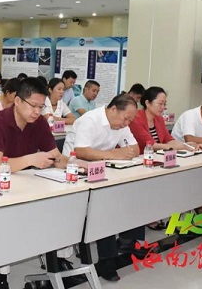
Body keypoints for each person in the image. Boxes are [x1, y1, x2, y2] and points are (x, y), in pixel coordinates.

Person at [0, 77, 67, 289]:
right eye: (33, 106)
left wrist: (76, 165)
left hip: (21, 182)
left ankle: (58, 261)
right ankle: (0, 275)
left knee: (60, 205)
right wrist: (32, 159)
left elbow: (56, 156)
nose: (37, 111)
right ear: (17, 101)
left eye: (41, 107)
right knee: (8, 220)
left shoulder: (39, 122)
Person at [62, 94, 144, 282]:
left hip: (103, 172)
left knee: (132, 195)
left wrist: (112, 155)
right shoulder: (90, 120)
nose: (127, 124)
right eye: (126, 119)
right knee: (103, 208)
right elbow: (82, 151)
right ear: (113, 109)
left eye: (130, 121)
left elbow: (135, 149)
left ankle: (126, 242)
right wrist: (113, 154)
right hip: (74, 172)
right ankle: (107, 259)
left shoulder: (121, 124)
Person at [129, 86, 202, 153]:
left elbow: (169, 140)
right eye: (160, 103)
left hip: (157, 157)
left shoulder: (159, 119)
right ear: (148, 103)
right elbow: (152, 145)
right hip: (142, 158)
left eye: (164, 104)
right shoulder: (136, 119)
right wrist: (182, 147)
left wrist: (188, 145)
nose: (163, 107)